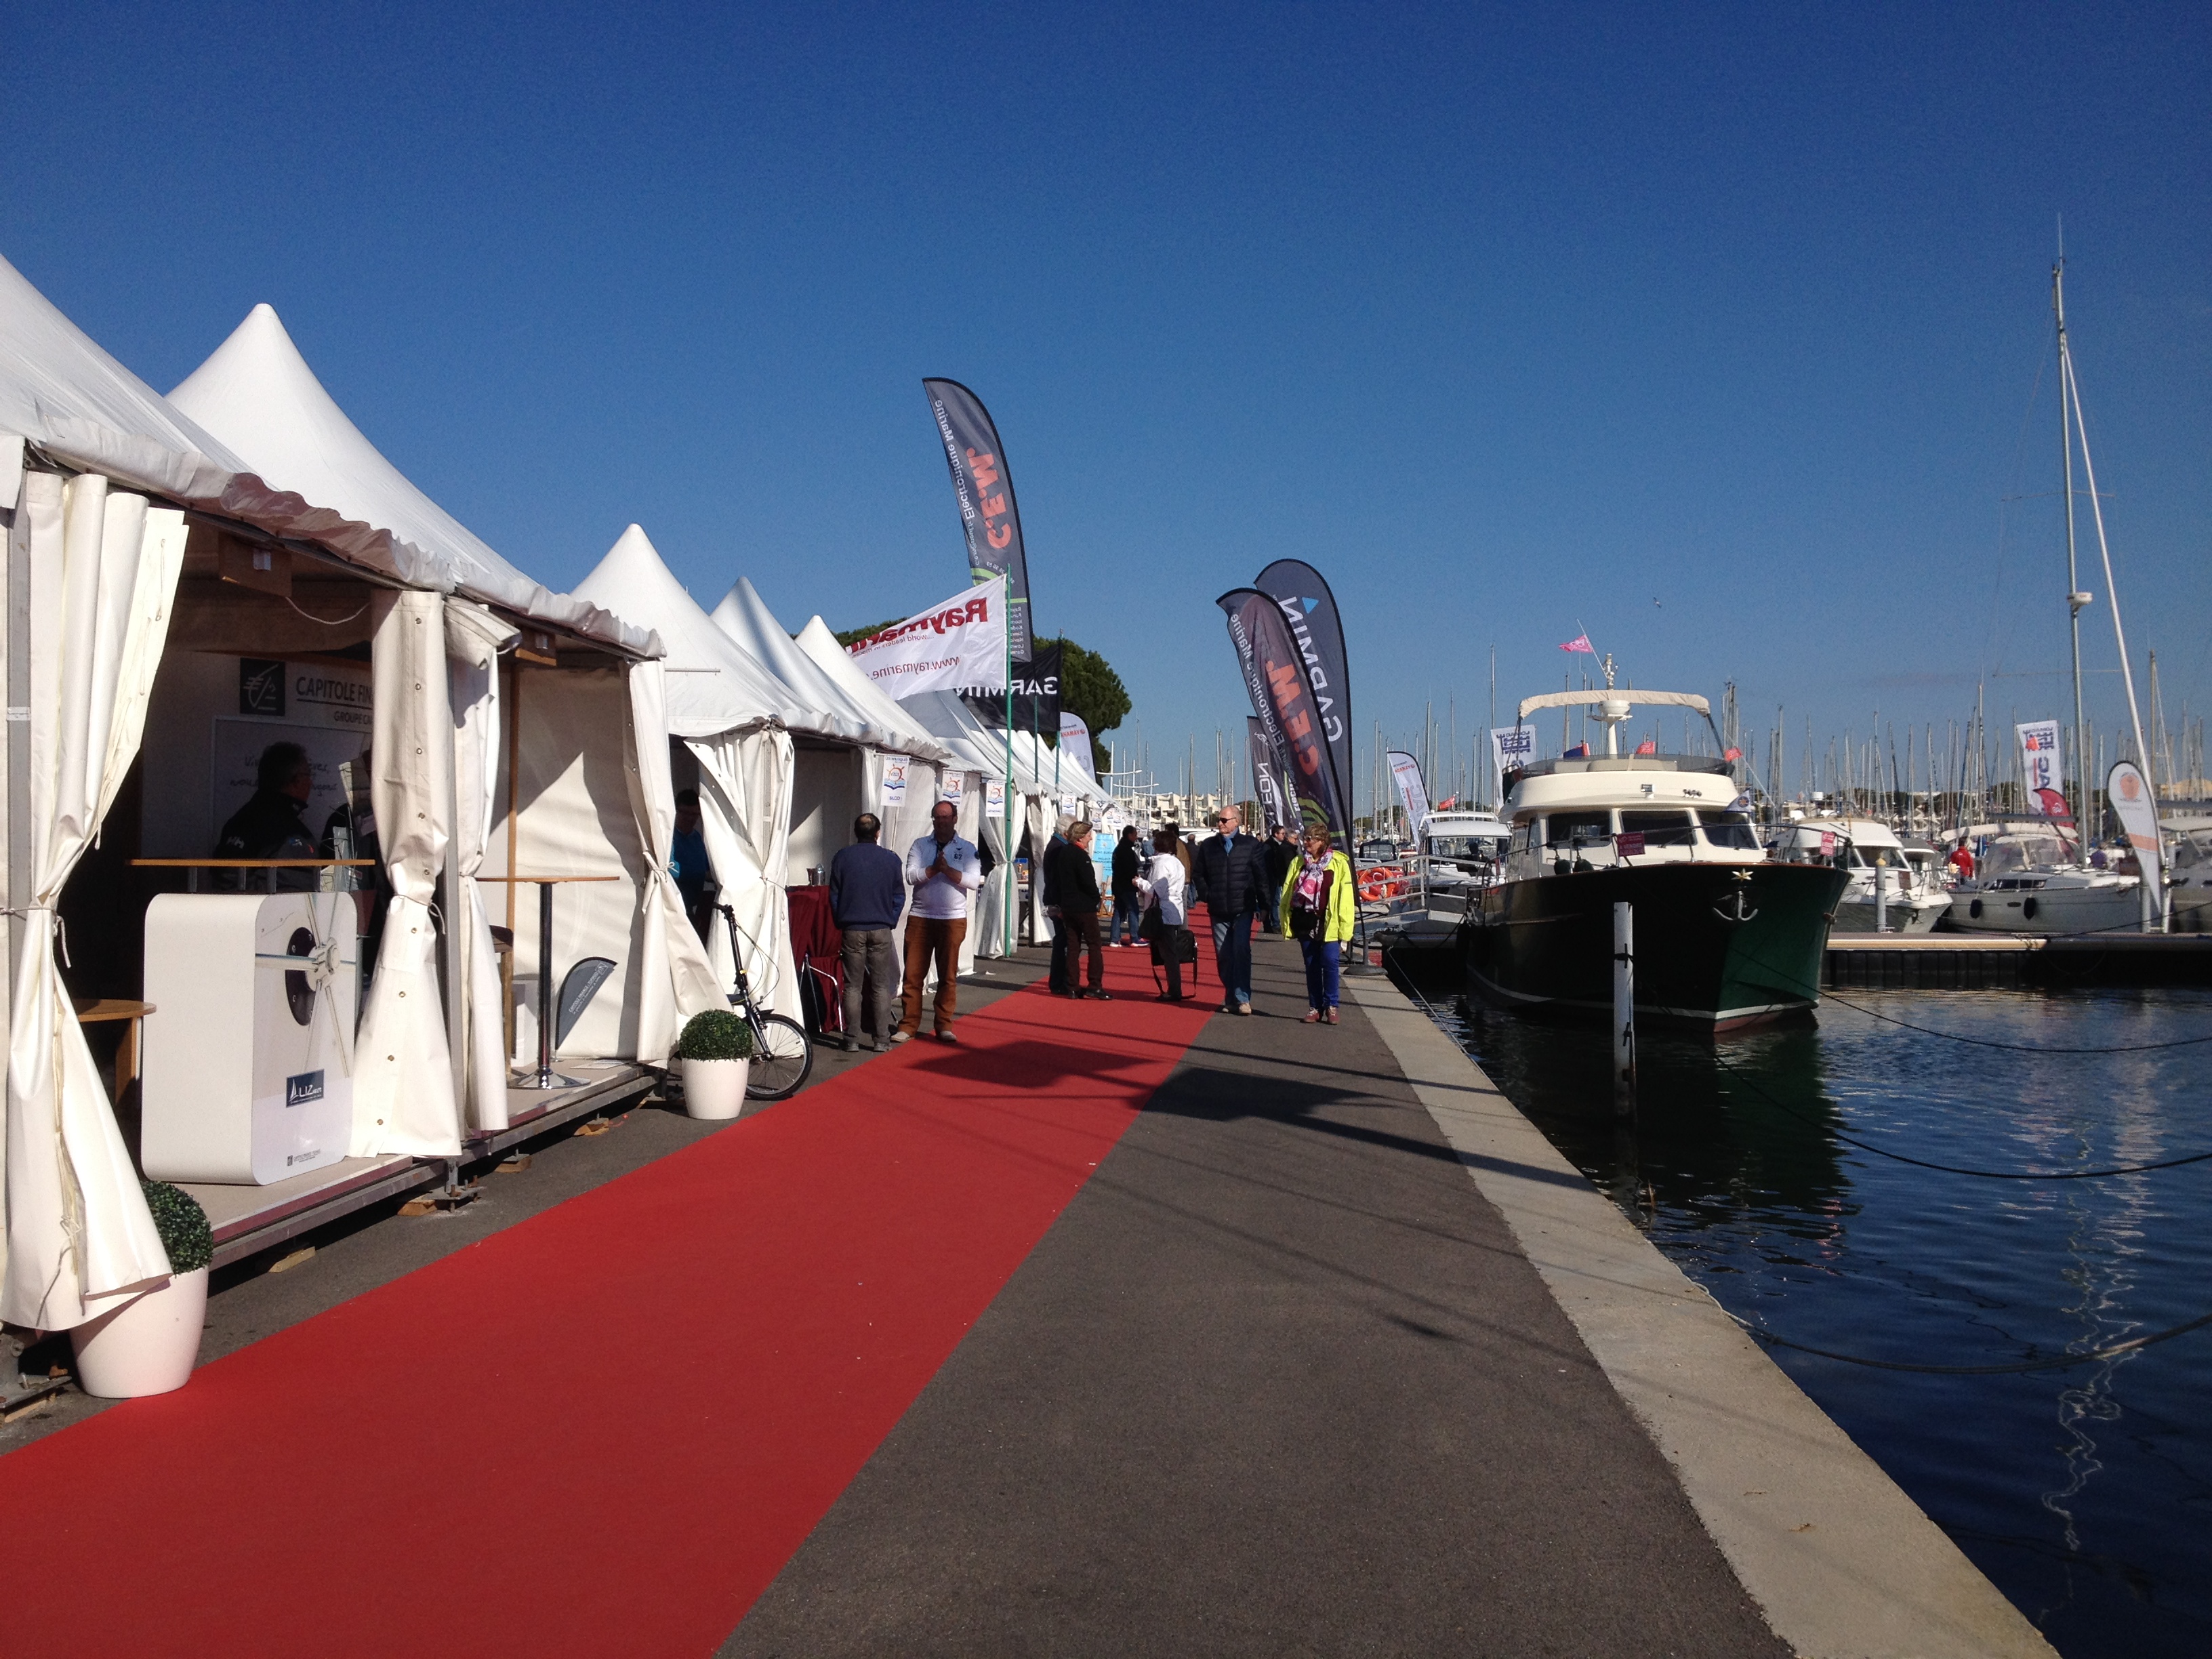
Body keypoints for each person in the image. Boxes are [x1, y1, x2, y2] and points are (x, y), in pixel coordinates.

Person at [897, 800, 983, 1044]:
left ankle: (944, 1025)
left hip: (952, 919)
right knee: (913, 975)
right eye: (937, 817)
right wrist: (934, 869)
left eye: (946, 817)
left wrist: (947, 871)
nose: (942, 821)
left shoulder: (967, 848)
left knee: (948, 976)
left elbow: (974, 881)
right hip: (921, 917)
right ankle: (909, 1025)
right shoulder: (920, 845)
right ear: (932, 819)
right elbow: (911, 876)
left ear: (955, 819)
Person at [830, 812, 904, 1052]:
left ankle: (852, 1038)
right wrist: (890, 919)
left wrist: (841, 919)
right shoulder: (891, 859)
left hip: (852, 927)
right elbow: (899, 896)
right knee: (881, 986)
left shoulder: (842, 858)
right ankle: (881, 1039)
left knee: (852, 986)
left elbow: (834, 895)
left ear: (855, 832)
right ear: (878, 833)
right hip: (880, 927)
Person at [1192, 805, 1269, 1015]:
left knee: (1241, 952)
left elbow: (1261, 877)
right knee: (1224, 955)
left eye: (1224, 820)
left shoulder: (1251, 845)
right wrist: (1207, 894)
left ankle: (1242, 998)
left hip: (1242, 908)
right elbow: (1198, 874)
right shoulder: (1208, 846)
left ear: (1236, 822)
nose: (1220, 823)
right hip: (1218, 909)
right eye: (1219, 820)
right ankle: (1230, 997)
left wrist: (1264, 905)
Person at [216, 741, 321, 890]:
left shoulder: (286, 817)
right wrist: (271, 904)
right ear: (295, 780)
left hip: (305, 910)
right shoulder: (251, 819)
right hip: (276, 912)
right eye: (308, 775)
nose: (310, 782)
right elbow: (228, 874)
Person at [1279, 826, 1356, 1023]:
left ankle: (1332, 1006)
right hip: (1305, 920)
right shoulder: (1298, 863)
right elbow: (1288, 891)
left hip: (1329, 922)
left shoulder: (1339, 863)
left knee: (1330, 962)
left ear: (1323, 841)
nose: (1306, 843)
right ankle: (1315, 1007)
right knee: (1312, 964)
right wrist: (1285, 917)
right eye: (1305, 839)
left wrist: (1346, 933)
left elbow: (1346, 899)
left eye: (1311, 840)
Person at [1048, 819, 1109, 999]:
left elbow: (1058, 881)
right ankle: (1095, 984)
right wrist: (1095, 898)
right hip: (1083, 906)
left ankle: (1073, 986)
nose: (1090, 838)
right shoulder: (1080, 856)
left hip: (1068, 906)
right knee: (1094, 944)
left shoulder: (1063, 853)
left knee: (1073, 946)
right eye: (1089, 835)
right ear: (1081, 837)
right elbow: (1088, 882)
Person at [1136, 825, 1192, 1001]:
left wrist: (1139, 883)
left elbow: (1156, 890)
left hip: (1163, 912)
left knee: (1169, 953)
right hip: (1173, 909)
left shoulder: (1162, 864)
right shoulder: (1177, 863)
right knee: (1169, 951)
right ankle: (1174, 988)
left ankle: (1175, 990)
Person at [670, 787, 715, 940]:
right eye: (685, 813)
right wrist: (702, 874)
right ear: (676, 811)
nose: (690, 819)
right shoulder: (669, 837)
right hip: (674, 907)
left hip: (694, 906)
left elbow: (707, 867)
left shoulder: (696, 838)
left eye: (694, 814)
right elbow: (670, 868)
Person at [1041, 818, 1073, 995]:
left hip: (1055, 900)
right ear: (1066, 832)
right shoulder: (1058, 848)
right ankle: (1059, 982)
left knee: (1062, 941)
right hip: (1057, 902)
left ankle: (1060, 981)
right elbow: (1055, 880)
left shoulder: (1056, 846)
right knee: (1063, 941)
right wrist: (1059, 907)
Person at [1109, 825, 1144, 947]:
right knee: (1133, 910)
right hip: (1126, 885)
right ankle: (1135, 937)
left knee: (1119, 911)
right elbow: (1129, 869)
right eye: (1135, 835)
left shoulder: (1118, 849)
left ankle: (1114, 939)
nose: (1136, 837)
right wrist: (1135, 881)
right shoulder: (1126, 850)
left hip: (1118, 884)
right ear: (1129, 835)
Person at [1261, 824, 1296, 933]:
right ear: (1276, 834)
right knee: (1273, 901)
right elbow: (1268, 863)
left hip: (1275, 876)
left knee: (1274, 900)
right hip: (1271, 877)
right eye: (1283, 834)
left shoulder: (1278, 845)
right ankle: (1273, 923)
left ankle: (1272, 923)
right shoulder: (1269, 846)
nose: (1284, 836)